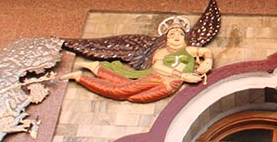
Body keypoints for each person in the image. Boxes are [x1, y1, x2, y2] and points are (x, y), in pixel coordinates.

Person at [63, 17, 213, 103]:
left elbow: (205, 51)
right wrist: (182, 75)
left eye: (179, 34)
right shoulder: (161, 52)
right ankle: (81, 77)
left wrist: (208, 61)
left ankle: (96, 68)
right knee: (120, 91)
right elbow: (159, 67)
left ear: (184, 37)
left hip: (170, 84)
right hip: (159, 79)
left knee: (132, 93)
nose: (176, 36)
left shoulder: (188, 51)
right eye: (172, 33)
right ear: (166, 38)